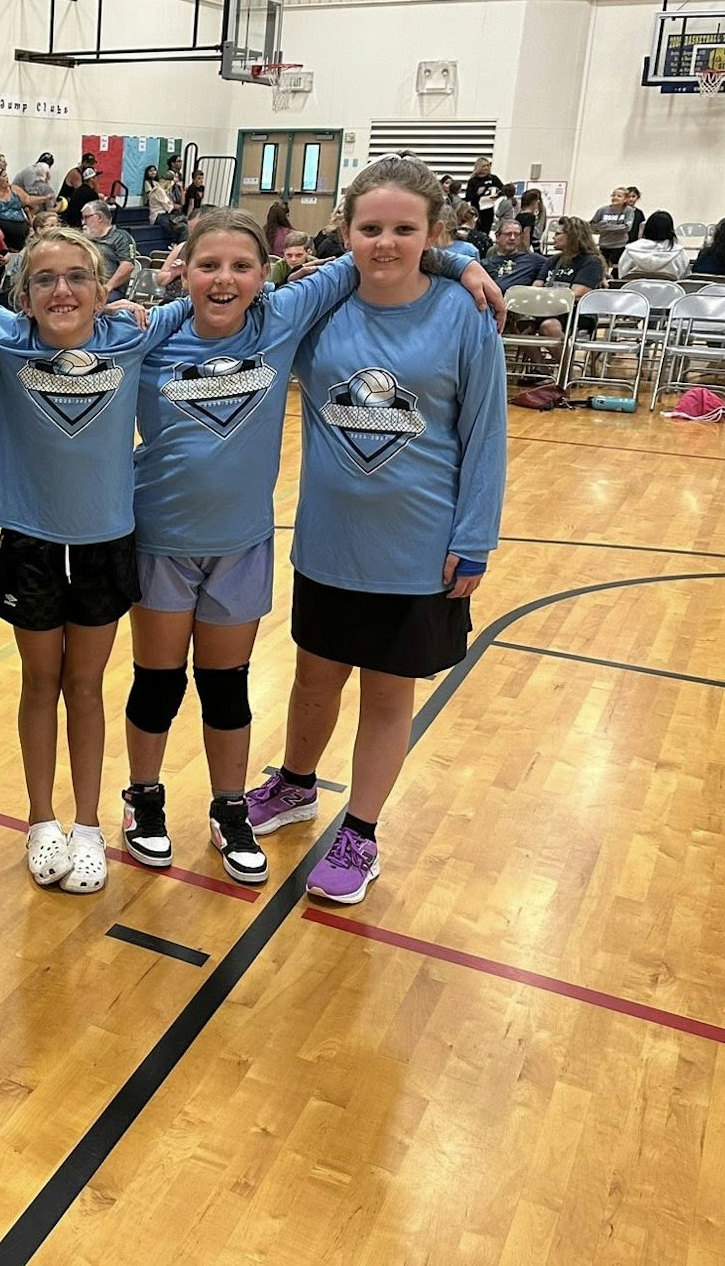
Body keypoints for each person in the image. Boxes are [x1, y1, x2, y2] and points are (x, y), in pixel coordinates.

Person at [122, 203, 498, 881]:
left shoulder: (285, 315)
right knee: (160, 683)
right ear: (181, 269)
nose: (224, 278)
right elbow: (57, 344)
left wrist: (460, 260)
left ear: (267, 275)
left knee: (226, 687)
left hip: (246, 544)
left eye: (242, 266)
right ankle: (144, 798)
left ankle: (233, 806)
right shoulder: (150, 337)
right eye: (208, 264)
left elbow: (375, 253)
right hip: (163, 541)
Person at [0, 229, 195, 892]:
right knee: (40, 685)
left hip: (106, 543)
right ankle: (41, 821)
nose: (61, 289)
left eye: (76, 278)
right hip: (31, 545)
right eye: (44, 280)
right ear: (25, 297)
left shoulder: (129, 338)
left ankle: (89, 825)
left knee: (87, 687)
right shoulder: (9, 339)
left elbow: (198, 301)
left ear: (103, 290)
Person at [255, 154, 506, 906]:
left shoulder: (466, 314)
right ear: (346, 231)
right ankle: (297, 785)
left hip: (421, 546)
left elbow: (485, 434)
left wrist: (476, 537)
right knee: (313, 678)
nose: (386, 243)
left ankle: (359, 831)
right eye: (371, 228)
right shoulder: (321, 311)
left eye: (405, 229)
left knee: (389, 697)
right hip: (330, 539)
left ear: (433, 233)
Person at [510, 215, 603, 344]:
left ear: (573, 237)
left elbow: (577, 293)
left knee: (549, 327)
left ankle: (566, 363)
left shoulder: (591, 262)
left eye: (558, 233)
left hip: (574, 313)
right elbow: (537, 285)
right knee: (518, 326)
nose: (553, 237)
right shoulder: (553, 260)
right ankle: (540, 363)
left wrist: (546, 295)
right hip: (547, 309)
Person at [0, 153, 34, 251]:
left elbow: (26, 201)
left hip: (20, 222)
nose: (6, 164)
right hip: (1, 222)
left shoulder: (12, 188)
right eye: (2, 162)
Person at [82, 201, 139, 293]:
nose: (83, 222)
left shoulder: (121, 237)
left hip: (111, 291)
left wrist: (107, 287)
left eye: (86, 217)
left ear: (100, 217)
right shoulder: (85, 239)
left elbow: (128, 266)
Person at [617, 210, 688, 280]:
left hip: (634, 290)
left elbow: (622, 275)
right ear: (670, 229)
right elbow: (684, 277)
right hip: (670, 291)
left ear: (647, 227)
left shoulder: (630, 250)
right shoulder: (679, 252)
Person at [480, 219, 545, 286]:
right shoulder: (486, 264)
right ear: (497, 236)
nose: (512, 238)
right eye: (508, 234)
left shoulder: (533, 260)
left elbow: (553, 264)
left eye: (516, 234)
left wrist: (539, 280)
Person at [587, 187, 638, 267]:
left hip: (619, 245)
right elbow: (592, 226)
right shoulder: (602, 210)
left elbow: (627, 228)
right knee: (602, 267)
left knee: (616, 268)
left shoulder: (628, 211)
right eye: (613, 195)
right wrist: (614, 228)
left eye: (619, 196)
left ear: (625, 199)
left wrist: (605, 227)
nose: (615, 198)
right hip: (604, 245)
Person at [465, 154, 508, 232]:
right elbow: (468, 197)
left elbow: (503, 190)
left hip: (489, 209)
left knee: (487, 229)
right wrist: (477, 193)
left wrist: (497, 195)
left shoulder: (493, 178)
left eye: (488, 166)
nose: (486, 168)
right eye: (484, 166)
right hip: (477, 210)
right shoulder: (473, 181)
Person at [144, 164, 186, 242]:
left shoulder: (164, 191)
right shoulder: (159, 191)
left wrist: (181, 190)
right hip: (158, 216)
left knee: (185, 219)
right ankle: (176, 244)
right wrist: (178, 206)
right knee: (181, 227)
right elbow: (169, 207)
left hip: (165, 215)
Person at [57, 163, 101, 228]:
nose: (98, 179)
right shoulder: (91, 194)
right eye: (96, 177)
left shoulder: (78, 190)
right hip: (80, 225)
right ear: (92, 179)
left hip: (72, 223)